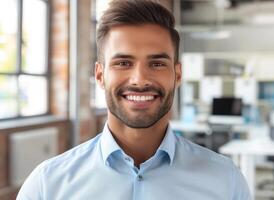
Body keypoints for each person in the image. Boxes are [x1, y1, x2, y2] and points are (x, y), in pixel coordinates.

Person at [17, 0, 251, 199]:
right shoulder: (47, 186)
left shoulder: (226, 182)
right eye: (123, 63)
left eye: (157, 63)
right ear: (100, 75)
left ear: (177, 75)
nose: (139, 79)